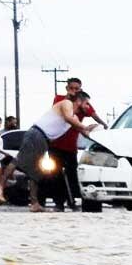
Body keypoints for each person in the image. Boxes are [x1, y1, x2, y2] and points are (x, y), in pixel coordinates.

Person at [0, 91, 96, 212]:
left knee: (35, 172)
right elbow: (68, 119)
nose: (88, 107)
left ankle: (34, 203)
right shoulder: (67, 103)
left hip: (44, 139)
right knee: (19, 161)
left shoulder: (74, 117)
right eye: (86, 103)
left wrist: (96, 132)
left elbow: (84, 132)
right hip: (37, 134)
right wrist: (84, 127)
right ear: (79, 101)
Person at [47, 77, 108, 209]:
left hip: (70, 146)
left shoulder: (82, 102)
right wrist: (68, 98)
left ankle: (72, 200)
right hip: (55, 144)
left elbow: (93, 113)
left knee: (72, 174)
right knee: (55, 174)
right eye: (71, 88)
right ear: (67, 88)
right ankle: (59, 203)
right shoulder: (59, 99)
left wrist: (103, 124)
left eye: (77, 89)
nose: (74, 91)